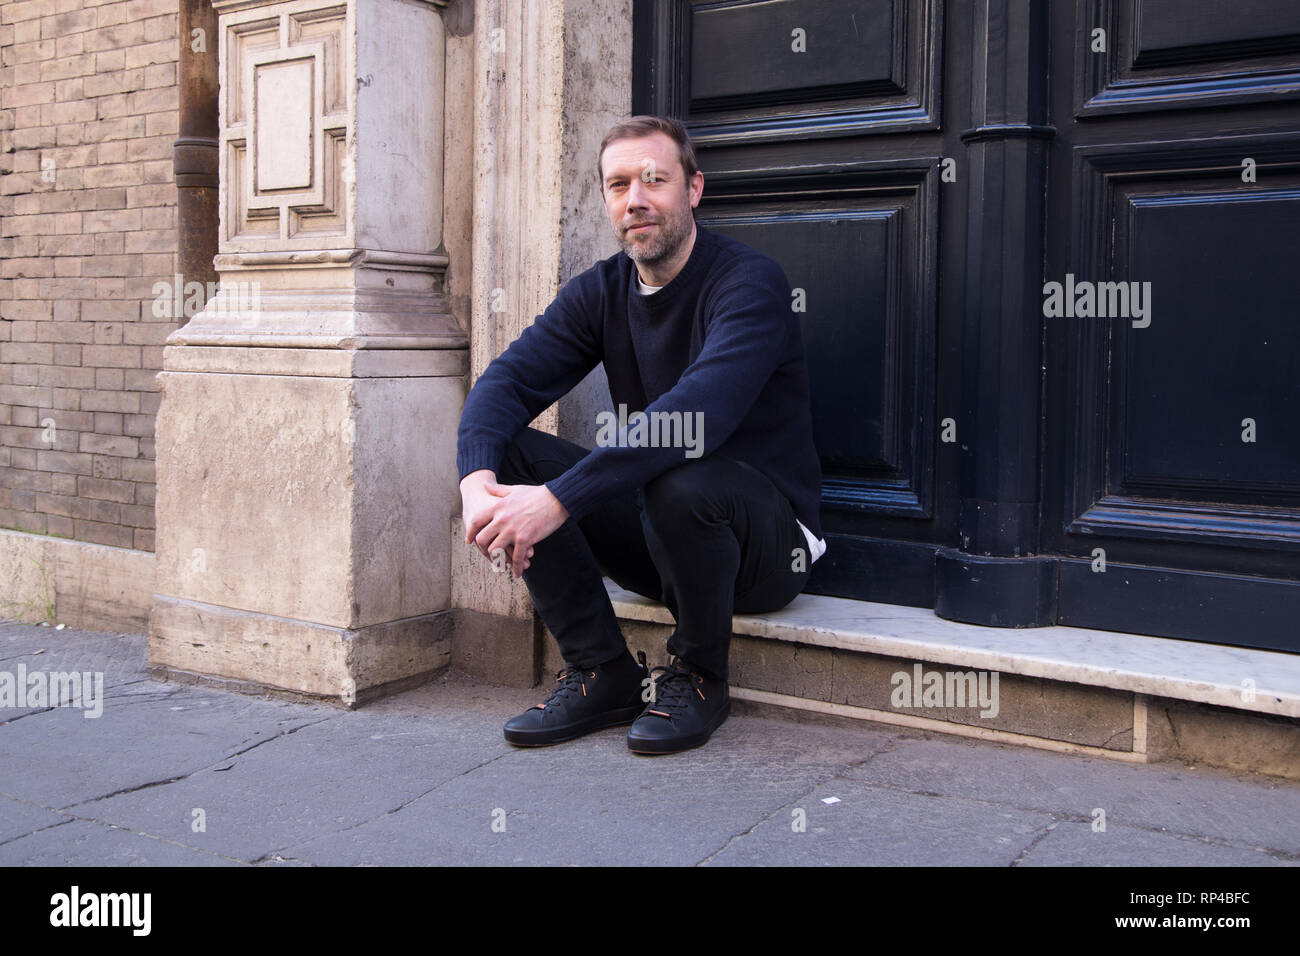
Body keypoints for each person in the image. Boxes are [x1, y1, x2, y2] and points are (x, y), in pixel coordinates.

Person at [457, 115, 825, 755]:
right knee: (510, 450)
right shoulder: (601, 292)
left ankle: (700, 676)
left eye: (655, 180)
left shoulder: (748, 284)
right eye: (619, 184)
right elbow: (504, 384)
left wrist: (558, 501)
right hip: (665, 540)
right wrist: (476, 483)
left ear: (694, 190)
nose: (637, 200)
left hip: (767, 549)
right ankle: (603, 671)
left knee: (680, 475)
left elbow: (697, 416)